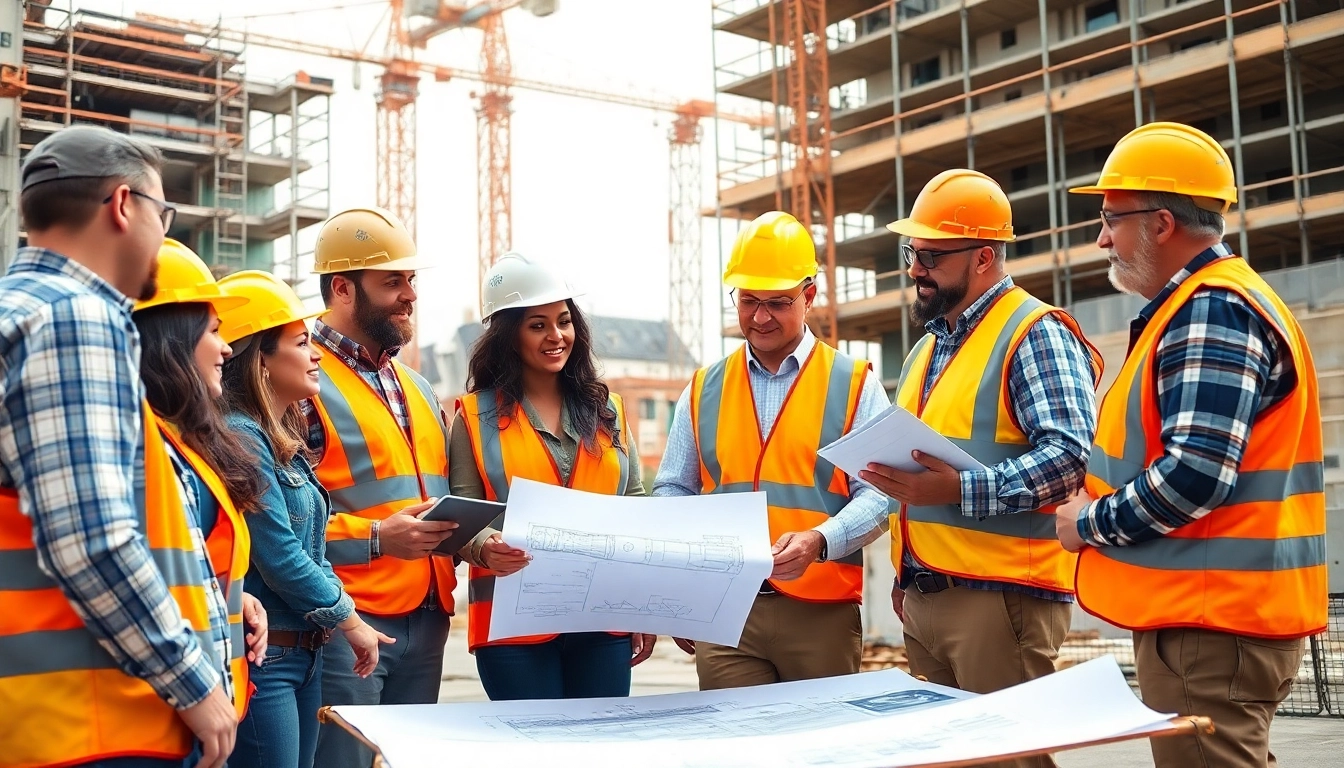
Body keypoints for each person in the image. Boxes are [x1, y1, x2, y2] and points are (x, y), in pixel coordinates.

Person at [1055, 122, 1327, 768]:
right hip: (1214, 620)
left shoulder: (1212, 309)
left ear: (1161, 223)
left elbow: (1196, 474)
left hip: (1210, 624)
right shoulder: (1210, 304)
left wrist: (1086, 523)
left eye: (1110, 219)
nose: (1101, 238)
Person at [0, 125, 236, 768]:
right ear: (124, 205)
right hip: (97, 722)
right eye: (164, 214)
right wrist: (194, 683)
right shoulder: (75, 317)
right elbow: (91, 538)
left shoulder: (19, 311)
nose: (162, 236)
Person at [861, 169, 1102, 768]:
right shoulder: (927, 348)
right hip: (926, 593)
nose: (916, 267)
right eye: (912, 251)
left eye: (933, 255)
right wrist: (908, 567)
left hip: (1001, 600)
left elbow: (1071, 458)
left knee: (1008, 759)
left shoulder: (1034, 332)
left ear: (985, 258)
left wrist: (958, 489)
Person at [652, 211, 891, 690]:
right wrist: (681, 590)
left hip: (820, 610)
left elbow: (882, 495)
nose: (760, 317)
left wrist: (820, 540)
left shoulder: (855, 384)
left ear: (809, 296)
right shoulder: (701, 390)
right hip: (724, 610)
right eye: (748, 301)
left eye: (778, 303)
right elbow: (672, 491)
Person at [452, 253, 656, 700]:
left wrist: (643, 606)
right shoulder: (473, 417)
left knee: (601, 748)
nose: (556, 336)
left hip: (603, 616)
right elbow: (461, 512)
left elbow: (635, 502)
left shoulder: (609, 411)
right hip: (515, 624)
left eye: (563, 321)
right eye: (537, 325)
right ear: (509, 336)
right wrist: (484, 546)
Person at [216, 270, 395, 768]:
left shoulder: (282, 444)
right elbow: (281, 557)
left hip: (303, 654)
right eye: (300, 342)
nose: (316, 354)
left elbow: (312, 550)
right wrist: (352, 620)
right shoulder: (241, 437)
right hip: (265, 658)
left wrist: (339, 617)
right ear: (261, 360)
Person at [307, 207, 459, 768]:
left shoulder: (417, 388)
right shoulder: (300, 380)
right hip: (350, 622)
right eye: (392, 281)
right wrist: (375, 537)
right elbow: (274, 521)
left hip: (427, 616)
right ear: (343, 288)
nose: (409, 294)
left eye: (411, 280)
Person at [132, 239, 273, 724]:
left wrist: (236, 597)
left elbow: (178, 568)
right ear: (173, 337)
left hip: (199, 707)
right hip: (164, 712)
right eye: (213, 331)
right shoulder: (141, 444)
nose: (227, 347)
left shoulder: (184, 445)